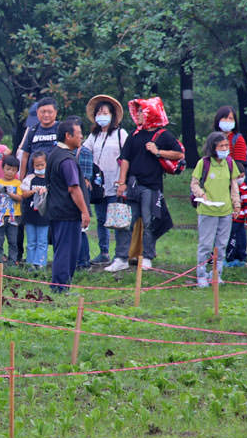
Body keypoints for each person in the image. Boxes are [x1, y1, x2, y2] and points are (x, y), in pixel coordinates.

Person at [105, 98, 183, 272]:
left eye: (142, 111)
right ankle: (121, 258)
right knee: (126, 222)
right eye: (138, 111)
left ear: (151, 114)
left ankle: (147, 257)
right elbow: (125, 159)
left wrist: (158, 151)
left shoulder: (164, 135)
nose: (138, 115)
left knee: (149, 222)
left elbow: (178, 154)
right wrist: (122, 182)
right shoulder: (134, 135)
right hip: (133, 186)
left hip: (151, 187)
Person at [189, 132, 241, 288]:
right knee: (205, 244)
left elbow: (234, 186)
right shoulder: (203, 163)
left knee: (221, 245)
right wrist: (201, 194)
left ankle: (216, 274)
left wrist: (236, 204)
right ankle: (201, 274)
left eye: (226, 146)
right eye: (221, 146)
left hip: (225, 210)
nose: (225, 149)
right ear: (213, 148)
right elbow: (194, 183)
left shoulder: (230, 163)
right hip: (207, 210)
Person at [82, 95, 128, 265]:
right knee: (101, 219)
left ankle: (120, 253)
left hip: (116, 182)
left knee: (116, 219)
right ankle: (104, 251)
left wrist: (123, 181)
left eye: (105, 112)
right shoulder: (93, 136)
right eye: (99, 112)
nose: (102, 115)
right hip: (98, 185)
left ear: (112, 115)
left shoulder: (120, 134)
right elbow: (84, 152)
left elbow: (126, 157)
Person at [46, 116, 91, 292]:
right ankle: (60, 287)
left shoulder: (54, 154)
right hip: (67, 213)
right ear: (68, 135)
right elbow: (74, 188)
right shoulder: (67, 160)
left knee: (61, 249)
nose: (81, 137)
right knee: (67, 251)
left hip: (56, 211)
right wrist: (84, 212)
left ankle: (60, 285)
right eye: (79, 134)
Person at [0, 155, 22, 265]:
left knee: (13, 241)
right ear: (3, 168)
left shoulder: (18, 183)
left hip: (13, 216)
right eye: (8, 169)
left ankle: (12, 262)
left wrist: (9, 193)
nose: (10, 172)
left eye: (13, 170)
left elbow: (20, 198)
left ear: (17, 171)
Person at [20, 151, 50, 270]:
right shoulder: (29, 179)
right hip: (30, 215)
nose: (39, 167)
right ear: (33, 166)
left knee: (42, 241)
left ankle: (41, 263)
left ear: (46, 164)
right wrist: (33, 191)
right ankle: (30, 264)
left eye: (42, 165)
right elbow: (23, 194)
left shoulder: (50, 179)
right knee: (31, 241)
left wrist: (46, 191)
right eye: (37, 165)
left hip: (44, 215)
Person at [16, 97, 58, 180]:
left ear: (55, 112)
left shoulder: (61, 129)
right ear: (37, 112)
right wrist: (21, 179)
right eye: (43, 112)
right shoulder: (32, 130)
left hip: (55, 177)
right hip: (34, 177)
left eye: (50, 112)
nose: (46, 115)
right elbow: (25, 155)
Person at [226, 169, 247, 267]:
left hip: (240, 220)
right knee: (231, 239)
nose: (240, 179)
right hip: (231, 219)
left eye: (242, 176)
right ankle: (230, 257)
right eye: (238, 177)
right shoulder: (229, 188)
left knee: (241, 239)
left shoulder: (244, 189)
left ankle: (241, 257)